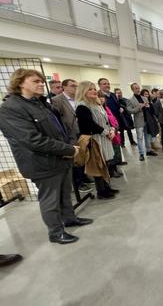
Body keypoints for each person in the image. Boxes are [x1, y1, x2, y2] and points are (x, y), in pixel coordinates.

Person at [0, 69, 93, 244]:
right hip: (41, 163)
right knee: (50, 199)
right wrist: (68, 149)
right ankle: (56, 233)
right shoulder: (11, 108)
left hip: (59, 158)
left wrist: (68, 147)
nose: (41, 84)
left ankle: (70, 219)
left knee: (65, 193)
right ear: (20, 83)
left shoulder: (40, 102)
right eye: (36, 81)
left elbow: (59, 128)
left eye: (41, 81)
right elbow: (33, 140)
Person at [75, 81, 118, 199]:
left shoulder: (97, 104)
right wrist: (106, 132)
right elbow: (89, 125)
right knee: (99, 165)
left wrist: (112, 130)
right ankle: (101, 191)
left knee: (106, 163)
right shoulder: (82, 106)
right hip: (95, 139)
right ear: (83, 91)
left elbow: (106, 120)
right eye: (90, 89)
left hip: (105, 137)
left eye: (94, 89)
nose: (94, 91)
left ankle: (107, 187)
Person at [51, 79, 92, 193]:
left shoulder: (79, 99)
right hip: (69, 134)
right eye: (72, 85)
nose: (75, 87)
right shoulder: (57, 100)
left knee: (83, 155)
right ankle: (78, 182)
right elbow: (56, 120)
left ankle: (84, 176)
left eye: (76, 85)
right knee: (74, 157)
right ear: (64, 87)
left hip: (82, 132)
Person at [127, 83, 157, 161]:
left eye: (138, 88)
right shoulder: (130, 100)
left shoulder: (144, 98)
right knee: (140, 138)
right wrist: (139, 107)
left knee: (148, 136)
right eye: (136, 88)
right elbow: (130, 111)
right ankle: (141, 154)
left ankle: (149, 150)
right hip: (139, 121)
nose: (138, 89)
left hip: (147, 120)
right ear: (132, 89)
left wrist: (148, 106)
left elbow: (149, 109)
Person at [98, 92, 124, 177]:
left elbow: (113, 118)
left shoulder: (106, 108)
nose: (102, 99)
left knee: (115, 151)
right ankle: (111, 170)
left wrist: (115, 127)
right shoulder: (97, 109)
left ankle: (115, 167)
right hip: (106, 134)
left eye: (103, 97)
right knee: (109, 154)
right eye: (99, 97)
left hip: (113, 131)